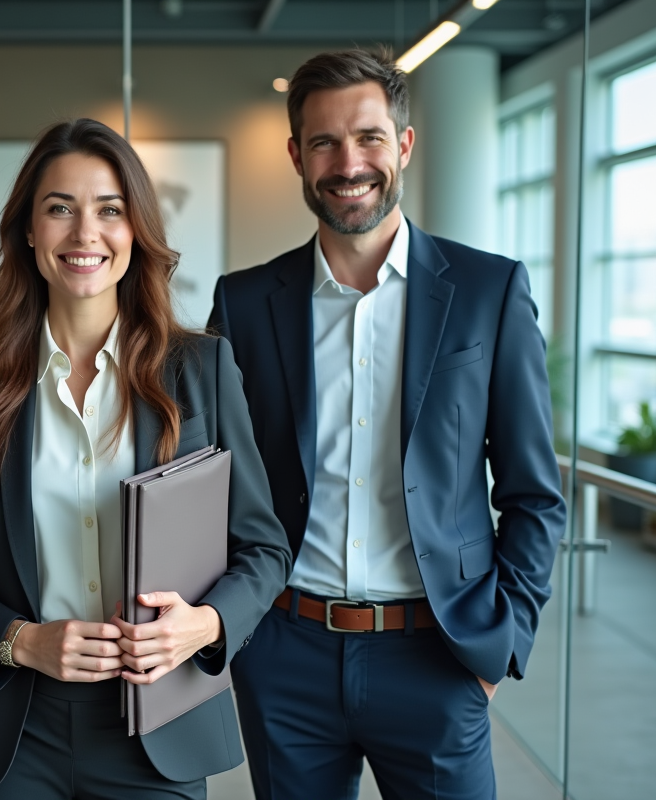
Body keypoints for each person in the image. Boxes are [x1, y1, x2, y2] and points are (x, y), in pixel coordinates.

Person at [208, 50, 566, 800]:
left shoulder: (489, 291)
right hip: (285, 653)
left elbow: (535, 493)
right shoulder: (243, 303)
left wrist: (500, 645)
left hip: (438, 655)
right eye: (325, 143)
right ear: (296, 156)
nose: (349, 164)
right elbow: (214, 483)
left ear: (403, 144)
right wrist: (238, 633)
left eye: (369, 138)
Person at [0, 118, 291, 799]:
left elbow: (263, 548)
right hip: (18, 733)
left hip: (158, 724)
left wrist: (204, 626)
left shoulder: (201, 370)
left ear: (135, 229)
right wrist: (20, 639)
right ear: (29, 231)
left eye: (110, 210)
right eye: (60, 209)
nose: (85, 234)